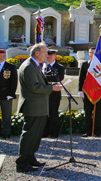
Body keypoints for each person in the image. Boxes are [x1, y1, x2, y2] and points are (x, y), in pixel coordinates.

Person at [15, 43, 62, 172]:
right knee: (30, 135)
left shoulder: (34, 65)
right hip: (33, 106)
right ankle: (22, 163)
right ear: (37, 53)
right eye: (45, 52)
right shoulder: (29, 66)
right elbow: (34, 87)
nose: (47, 55)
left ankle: (30, 158)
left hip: (39, 107)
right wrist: (52, 88)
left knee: (35, 136)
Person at [78, 48, 101, 137]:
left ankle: (97, 131)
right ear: (89, 54)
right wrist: (80, 90)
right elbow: (81, 78)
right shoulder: (84, 64)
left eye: (94, 52)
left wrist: (98, 67)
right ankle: (88, 131)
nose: (92, 54)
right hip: (87, 91)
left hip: (97, 91)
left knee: (97, 111)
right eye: (91, 52)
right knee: (87, 112)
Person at [43, 49, 65, 138]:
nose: (49, 57)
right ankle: (44, 132)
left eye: (51, 55)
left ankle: (54, 132)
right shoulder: (43, 66)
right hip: (44, 92)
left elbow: (58, 78)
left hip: (54, 93)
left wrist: (45, 77)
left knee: (53, 113)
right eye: (48, 55)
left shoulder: (59, 67)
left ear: (55, 56)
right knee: (44, 113)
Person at [0, 49, 18, 139]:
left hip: (5, 93)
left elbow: (14, 81)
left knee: (6, 115)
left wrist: (11, 93)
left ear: (3, 55)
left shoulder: (10, 67)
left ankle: (6, 132)